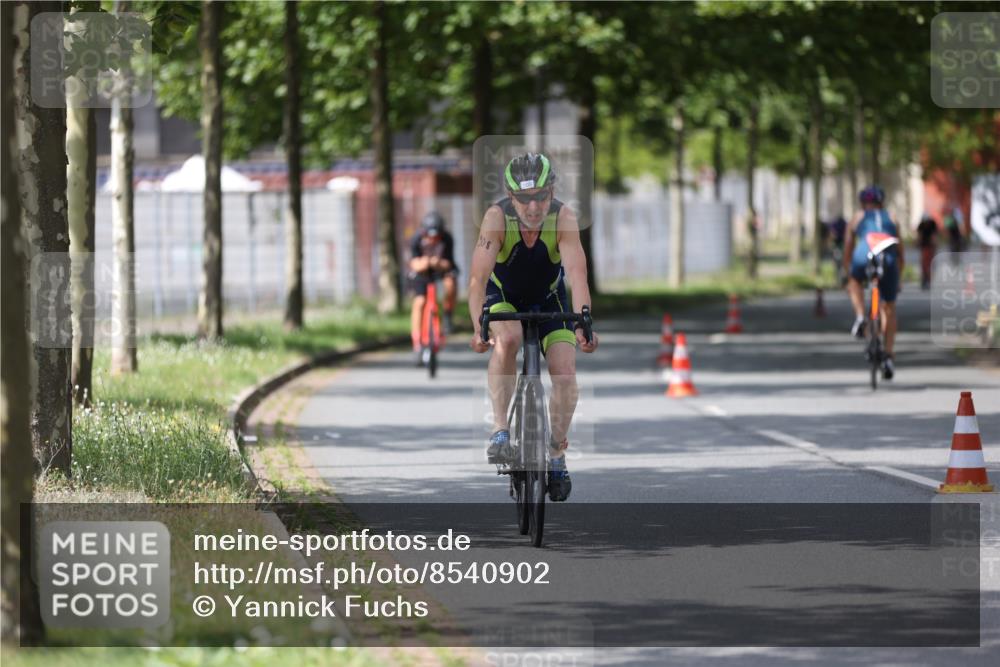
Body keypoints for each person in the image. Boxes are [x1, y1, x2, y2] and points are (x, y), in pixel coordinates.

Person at [467, 153, 599, 502]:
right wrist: (478, 327)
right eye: (524, 198)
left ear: (552, 190)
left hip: (548, 298)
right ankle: (500, 429)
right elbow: (477, 279)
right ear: (511, 197)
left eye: (541, 196)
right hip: (503, 297)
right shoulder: (496, 218)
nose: (534, 205)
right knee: (507, 339)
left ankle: (556, 454)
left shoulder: (563, 218)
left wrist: (584, 319)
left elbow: (577, 274)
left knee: (565, 373)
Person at [844, 185, 904, 380]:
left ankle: (861, 316)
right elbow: (900, 251)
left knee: (854, 281)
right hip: (888, 256)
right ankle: (888, 355)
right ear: (882, 202)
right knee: (889, 307)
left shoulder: (858, 217)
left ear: (863, 203)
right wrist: (898, 277)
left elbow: (847, 246)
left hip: (865, 252)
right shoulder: (892, 217)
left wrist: (849, 273)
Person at [408, 211, 458, 365]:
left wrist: (438, 263)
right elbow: (414, 263)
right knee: (420, 302)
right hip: (421, 271)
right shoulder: (416, 239)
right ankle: (417, 342)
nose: (433, 239)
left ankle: (448, 314)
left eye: (436, 236)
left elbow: (449, 262)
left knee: (450, 282)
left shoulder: (447, 239)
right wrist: (424, 263)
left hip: (440, 268)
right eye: (430, 236)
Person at [915, 212, 939, 289]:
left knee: (930, 263)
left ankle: (929, 279)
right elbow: (919, 235)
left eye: (927, 222)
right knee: (924, 263)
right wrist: (917, 242)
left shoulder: (932, 224)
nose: (926, 224)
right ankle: (924, 279)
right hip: (924, 245)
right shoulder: (921, 225)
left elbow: (934, 235)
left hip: (931, 246)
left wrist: (934, 244)